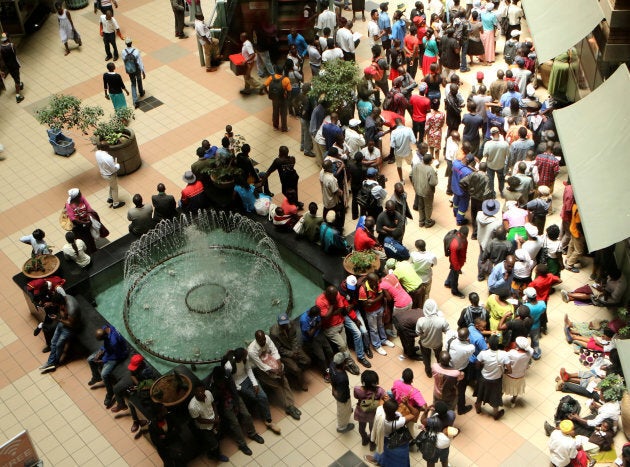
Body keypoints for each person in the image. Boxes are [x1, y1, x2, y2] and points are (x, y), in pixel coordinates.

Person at [225, 348, 282, 435]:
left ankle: (268, 420)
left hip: (247, 378)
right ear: (240, 358)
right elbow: (230, 381)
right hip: (238, 384)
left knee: (263, 396)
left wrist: (255, 383)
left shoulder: (245, 359)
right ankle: (261, 412)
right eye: (245, 356)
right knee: (254, 397)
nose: (247, 357)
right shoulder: (229, 366)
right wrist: (240, 388)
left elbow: (248, 370)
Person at [247, 330, 301, 420]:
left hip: (268, 359)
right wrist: (276, 372)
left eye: (264, 339)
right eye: (261, 341)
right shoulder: (252, 351)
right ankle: (288, 406)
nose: (263, 341)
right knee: (278, 384)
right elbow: (261, 366)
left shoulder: (267, 338)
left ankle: (290, 406)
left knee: (284, 380)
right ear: (256, 340)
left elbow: (274, 351)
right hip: (259, 368)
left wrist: (279, 367)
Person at [364, 398, 418, 466]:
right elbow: (414, 414)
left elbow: (381, 399)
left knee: (383, 451)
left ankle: (379, 460)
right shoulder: (398, 422)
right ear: (395, 410)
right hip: (396, 440)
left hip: (384, 438)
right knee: (400, 456)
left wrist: (386, 400)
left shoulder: (379, 411)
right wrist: (407, 404)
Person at [87, 324, 129, 409]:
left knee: (104, 374)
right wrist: (100, 352)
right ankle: (96, 377)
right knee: (90, 359)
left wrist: (103, 360)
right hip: (108, 349)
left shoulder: (114, 342)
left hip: (117, 354)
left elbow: (117, 355)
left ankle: (110, 393)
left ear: (105, 337)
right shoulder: (106, 328)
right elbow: (105, 343)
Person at [38, 294, 81, 373]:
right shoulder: (63, 299)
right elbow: (62, 313)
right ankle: (50, 362)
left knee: (59, 344)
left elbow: (71, 324)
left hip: (70, 327)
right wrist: (51, 304)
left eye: (56, 305)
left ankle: (54, 362)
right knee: (53, 342)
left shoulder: (71, 309)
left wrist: (58, 319)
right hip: (63, 322)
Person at [269, 313, 311, 392]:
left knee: (307, 360)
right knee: (296, 369)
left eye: (285, 323)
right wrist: (291, 354)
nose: (285, 325)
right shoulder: (274, 333)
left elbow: (294, 338)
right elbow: (278, 349)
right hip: (284, 353)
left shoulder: (290, 323)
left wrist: (295, 350)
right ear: (278, 323)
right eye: (282, 324)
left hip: (294, 348)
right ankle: (301, 382)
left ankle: (298, 373)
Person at [188, 383, 229, 462]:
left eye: (202, 391)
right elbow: (199, 420)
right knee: (214, 443)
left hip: (215, 420)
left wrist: (216, 417)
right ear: (194, 392)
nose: (202, 393)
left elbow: (213, 404)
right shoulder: (192, 406)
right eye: (199, 392)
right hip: (205, 427)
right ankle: (218, 456)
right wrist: (213, 421)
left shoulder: (208, 393)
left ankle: (211, 452)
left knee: (217, 437)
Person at [475, 335, 511, 420]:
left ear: (489, 344)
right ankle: (495, 414)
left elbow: (477, 365)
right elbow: (509, 370)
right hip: (496, 380)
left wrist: (483, 366)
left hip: (483, 379)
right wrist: (502, 371)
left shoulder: (483, 353)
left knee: (480, 395)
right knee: (496, 398)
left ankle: (478, 409)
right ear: (498, 344)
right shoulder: (504, 354)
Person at [359, 273, 395, 356]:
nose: (377, 283)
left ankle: (384, 340)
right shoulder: (363, 289)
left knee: (381, 325)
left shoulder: (376, 283)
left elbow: (382, 295)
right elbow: (364, 304)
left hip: (379, 308)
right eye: (375, 282)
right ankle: (377, 345)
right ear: (369, 281)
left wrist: (372, 301)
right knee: (374, 329)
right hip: (370, 312)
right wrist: (372, 302)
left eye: (377, 281)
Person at [416, 299, 450, 378]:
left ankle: (428, 371)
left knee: (426, 358)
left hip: (425, 343)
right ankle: (440, 370)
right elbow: (447, 330)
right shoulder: (441, 320)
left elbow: (418, 333)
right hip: (437, 343)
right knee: (439, 357)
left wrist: (424, 334)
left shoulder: (421, 321)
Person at [299, 306, 333, 382]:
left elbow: (320, 322)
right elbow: (310, 334)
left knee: (329, 350)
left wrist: (315, 327)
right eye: (317, 315)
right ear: (312, 314)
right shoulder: (304, 319)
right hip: (310, 339)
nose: (318, 316)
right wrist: (316, 326)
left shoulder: (315, 313)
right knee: (321, 358)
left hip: (319, 334)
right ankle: (326, 373)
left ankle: (333, 367)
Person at [562, 269, 627, 307]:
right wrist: (602, 285)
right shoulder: (614, 273)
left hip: (610, 299)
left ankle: (568, 294)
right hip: (605, 290)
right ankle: (569, 298)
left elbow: (612, 297)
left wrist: (603, 291)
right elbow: (606, 280)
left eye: (612, 279)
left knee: (591, 295)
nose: (610, 279)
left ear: (616, 279)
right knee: (589, 288)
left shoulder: (621, 286)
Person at [354, 370, 386, 449]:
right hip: (373, 414)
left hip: (361, 412)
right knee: (372, 429)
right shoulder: (379, 391)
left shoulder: (357, 389)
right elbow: (384, 399)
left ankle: (364, 439)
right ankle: (372, 444)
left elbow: (356, 397)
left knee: (361, 427)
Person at [504, 336, 533, 408]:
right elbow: (530, 350)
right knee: (516, 389)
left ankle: (499, 400)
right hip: (520, 374)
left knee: (503, 387)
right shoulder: (530, 352)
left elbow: (505, 358)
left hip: (510, 374)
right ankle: (513, 400)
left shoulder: (512, 353)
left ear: (518, 346)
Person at [330, 352, 355, 433]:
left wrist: (333, 389)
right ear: (343, 363)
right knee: (342, 411)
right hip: (343, 398)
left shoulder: (332, 365)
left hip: (336, 389)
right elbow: (341, 394)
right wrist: (342, 400)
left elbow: (331, 377)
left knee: (345, 407)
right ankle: (342, 427)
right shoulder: (342, 378)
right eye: (345, 360)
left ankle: (347, 409)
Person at [412, 151, 438, 228]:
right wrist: (435, 175)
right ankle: (428, 222)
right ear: (430, 161)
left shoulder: (417, 165)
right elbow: (433, 183)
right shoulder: (430, 169)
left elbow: (411, 174)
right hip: (427, 192)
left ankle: (421, 221)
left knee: (420, 205)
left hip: (418, 190)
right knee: (428, 206)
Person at [264, 65, 292, 132]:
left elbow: (263, 86)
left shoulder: (271, 78)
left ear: (275, 70)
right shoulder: (286, 79)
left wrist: (267, 92)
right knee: (283, 113)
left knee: (275, 112)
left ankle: (275, 127)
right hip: (283, 99)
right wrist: (287, 98)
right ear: (282, 71)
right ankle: (284, 128)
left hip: (274, 99)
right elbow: (289, 91)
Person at [389, 118, 416, 183]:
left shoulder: (393, 132)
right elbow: (414, 141)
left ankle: (401, 180)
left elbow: (392, 145)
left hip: (398, 153)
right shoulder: (409, 129)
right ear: (402, 122)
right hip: (407, 151)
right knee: (412, 163)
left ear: (396, 124)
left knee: (399, 166)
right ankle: (413, 176)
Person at [121, 38, 146, 108]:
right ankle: (141, 92)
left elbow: (124, 61)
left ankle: (135, 101)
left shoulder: (123, 52)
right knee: (139, 80)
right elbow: (140, 62)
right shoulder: (136, 51)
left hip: (129, 70)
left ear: (126, 44)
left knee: (133, 84)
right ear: (131, 43)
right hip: (137, 69)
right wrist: (143, 71)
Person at [445, 226, 469, 298]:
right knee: (455, 276)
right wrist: (458, 268)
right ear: (461, 233)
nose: (466, 237)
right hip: (456, 263)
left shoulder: (462, 239)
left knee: (452, 272)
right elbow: (453, 258)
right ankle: (454, 291)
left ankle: (448, 282)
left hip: (459, 262)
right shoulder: (455, 244)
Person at [0, 33, 24, 103]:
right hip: (14, 65)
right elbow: (14, 54)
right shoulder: (11, 45)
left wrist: (1, 70)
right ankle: (18, 96)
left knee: (14, 76)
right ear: (8, 38)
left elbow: (1, 59)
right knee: (17, 79)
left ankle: (19, 84)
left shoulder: (0, 48)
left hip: (8, 66)